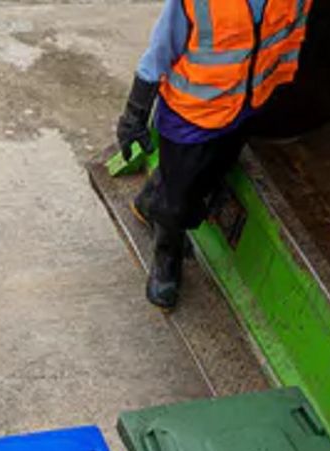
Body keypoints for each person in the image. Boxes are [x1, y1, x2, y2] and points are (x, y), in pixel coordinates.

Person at [117, 0, 312, 310]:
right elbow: (160, 50)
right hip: (191, 115)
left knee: (206, 177)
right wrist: (135, 113)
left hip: (244, 107)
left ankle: (150, 201)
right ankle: (167, 255)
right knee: (178, 204)